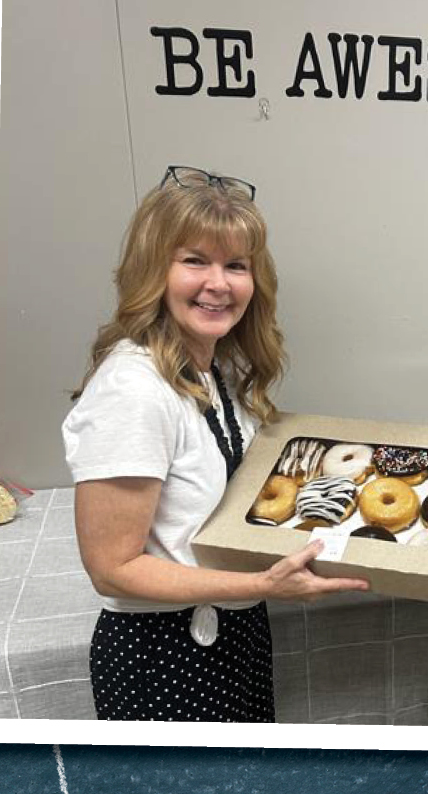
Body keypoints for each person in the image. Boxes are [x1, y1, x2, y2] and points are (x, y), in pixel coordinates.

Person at [63, 166, 367, 723]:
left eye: (236, 265)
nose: (219, 283)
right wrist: (261, 583)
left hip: (236, 633)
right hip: (164, 654)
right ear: (154, 271)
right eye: (194, 260)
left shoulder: (214, 370)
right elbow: (112, 567)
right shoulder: (133, 388)